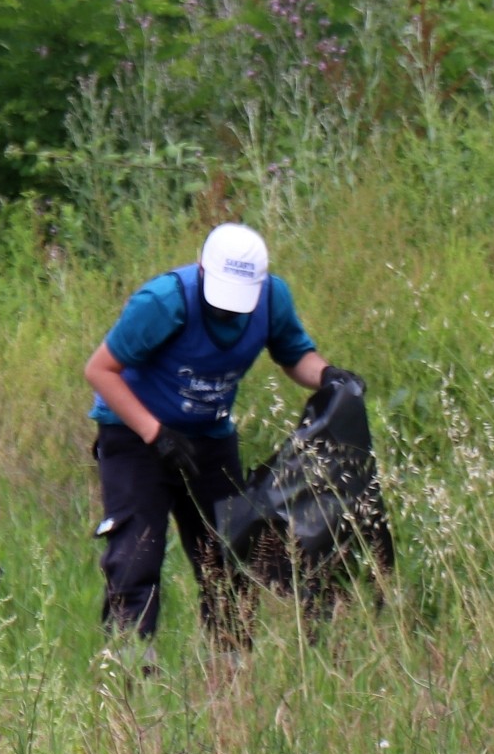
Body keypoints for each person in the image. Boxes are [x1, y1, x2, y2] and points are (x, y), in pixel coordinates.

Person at [81, 222, 327, 647]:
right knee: (136, 558)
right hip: (134, 435)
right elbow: (100, 371)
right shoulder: (163, 301)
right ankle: (129, 676)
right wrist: (155, 434)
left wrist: (331, 378)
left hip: (210, 440)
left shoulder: (271, 299)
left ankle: (229, 677)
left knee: (228, 558)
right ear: (201, 269)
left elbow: (295, 356)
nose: (230, 310)